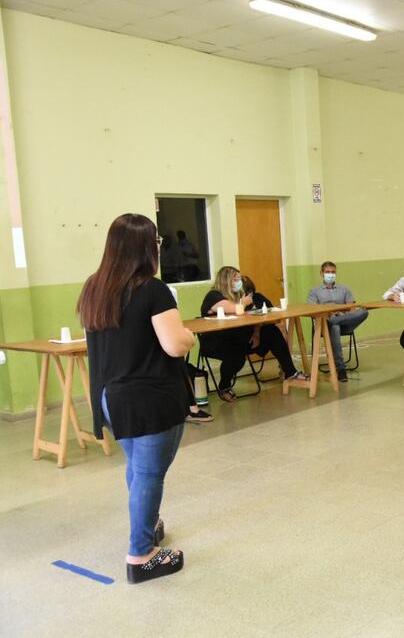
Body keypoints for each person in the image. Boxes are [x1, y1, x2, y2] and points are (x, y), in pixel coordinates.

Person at [78, 213, 195, 584]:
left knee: (137, 466)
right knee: (148, 473)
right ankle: (141, 554)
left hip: (113, 398)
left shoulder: (94, 288)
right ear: (147, 247)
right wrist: (190, 335)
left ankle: (149, 525)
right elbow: (174, 344)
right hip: (150, 398)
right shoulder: (152, 289)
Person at [198, 266, 307, 401]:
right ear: (226, 281)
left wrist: (256, 332)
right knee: (236, 355)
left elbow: (254, 316)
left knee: (271, 331)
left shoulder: (239, 297)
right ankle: (224, 386)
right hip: (217, 342)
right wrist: (243, 303)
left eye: (239, 279)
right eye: (236, 279)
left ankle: (290, 372)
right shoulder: (214, 296)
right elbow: (235, 309)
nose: (239, 282)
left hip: (241, 338)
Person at [307, 261, 368, 382]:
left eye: (333, 272)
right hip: (325, 324)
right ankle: (341, 369)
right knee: (335, 327)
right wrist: (329, 313)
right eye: (327, 272)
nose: (330, 274)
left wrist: (338, 314)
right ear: (321, 273)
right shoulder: (314, 291)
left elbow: (351, 309)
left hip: (345, 322)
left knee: (363, 312)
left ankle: (335, 321)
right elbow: (312, 311)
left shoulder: (344, 289)